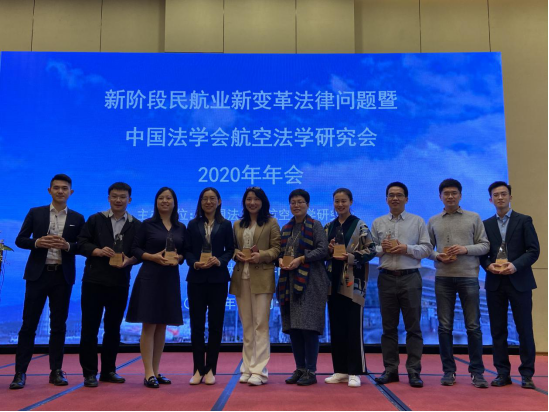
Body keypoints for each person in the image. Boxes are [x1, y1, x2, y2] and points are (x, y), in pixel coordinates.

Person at [10, 174, 85, 390]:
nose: (60, 191)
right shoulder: (36, 213)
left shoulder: (78, 217)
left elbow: (83, 245)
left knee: (58, 326)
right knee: (29, 325)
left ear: (71, 192)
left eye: (64, 188)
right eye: (56, 188)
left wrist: (68, 246)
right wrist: (37, 242)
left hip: (62, 276)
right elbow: (20, 240)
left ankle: (56, 371)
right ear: (49, 190)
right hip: (38, 275)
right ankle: (20, 373)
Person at [77, 182, 141, 388]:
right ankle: (89, 373)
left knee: (113, 329)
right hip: (93, 281)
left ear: (129, 200)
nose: (118, 200)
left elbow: (139, 252)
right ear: (108, 198)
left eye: (122, 197)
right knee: (89, 328)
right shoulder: (95, 219)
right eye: (114, 196)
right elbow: (81, 243)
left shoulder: (136, 225)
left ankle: (108, 371)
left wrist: (130, 260)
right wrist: (97, 251)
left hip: (120, 282)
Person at [427, 179, 490, 389]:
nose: (450, 196)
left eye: (454, 193)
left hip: (468, 277)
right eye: (446, 193)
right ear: (440, 197)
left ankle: (477, 372)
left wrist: (465, 249)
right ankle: (448, 371)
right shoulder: (433, 220)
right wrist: (438, 256)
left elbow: (485, 246)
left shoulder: (474, 218)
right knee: (444, 327)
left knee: (473, 326)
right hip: (443, 278)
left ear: (460, 195)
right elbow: (427, 248)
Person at [371, 182, 433, 388]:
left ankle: (414, 371)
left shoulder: (417, 221)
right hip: (386, 277)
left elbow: (426, 249)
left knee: (413, 327)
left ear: (406, 198)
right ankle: (390, 370)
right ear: (386, 199)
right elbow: (370, 249)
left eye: (399, 195)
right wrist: (382, 248)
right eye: (391, 195)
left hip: (410, 277)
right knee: (388, 328)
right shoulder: (378, 222)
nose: (395, 198)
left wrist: (406, 248)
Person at [480, 181, 540, 390]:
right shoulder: (486, 224)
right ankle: (502, 373)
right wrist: (488, 266)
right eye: (496, 195)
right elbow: (482, 253)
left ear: (510, 197)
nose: (500, 198)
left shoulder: (524, 220)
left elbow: (533, 251)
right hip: (495, 282)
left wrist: (514, 266)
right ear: (491, 200)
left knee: (524, 329)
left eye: (503, 194)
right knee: (498, 330)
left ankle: (527, 374)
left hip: (519, 281)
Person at [126, 187, 186, 389]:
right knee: (149, 325)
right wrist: (152, 257)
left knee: (162, 325)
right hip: (150, 277)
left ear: (174, 202)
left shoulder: (180, 227)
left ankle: (156, 370)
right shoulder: (147, 224)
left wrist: (179, 257)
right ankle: (148, 373)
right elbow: (135, 249)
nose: (165, 201)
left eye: (169, 198)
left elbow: (184, 252)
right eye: (161, 198)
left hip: (170, 278)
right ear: (156, 202)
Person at [324, 188, 377, 388]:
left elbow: (372, 250)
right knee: (336, 326)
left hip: (353, 282)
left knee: (353, 326)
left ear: (351, 202)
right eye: (337, 201)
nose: (340, 205)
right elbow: (323, 252)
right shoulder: (328, 226)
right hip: (332, 282)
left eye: (343, 201)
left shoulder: (360, 225)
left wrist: (351, 257)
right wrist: (329, 250)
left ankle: (355, 371)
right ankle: (340, 370)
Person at [277, 189, 329, 387]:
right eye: (293, 202)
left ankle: (311, 370)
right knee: (294, 328)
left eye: (300, 202)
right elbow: (281, 252)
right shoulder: (286, 228)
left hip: (312, 282)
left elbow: (323, 250)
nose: (296, 205)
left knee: (309, 327)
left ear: (307, 205)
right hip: (290, 282)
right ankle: (299, 368)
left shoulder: (315, 225)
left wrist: (302, 258)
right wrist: (280, 259)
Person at [184, 188, 234, 386]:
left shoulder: (226, 224)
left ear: (219, 201)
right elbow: (186, 250)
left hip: (218, 280)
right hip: (196, 279)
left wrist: (220, 260)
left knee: (215, 325)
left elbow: (231, 250)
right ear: (200, 202)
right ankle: (198, 369)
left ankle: (211, 369)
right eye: (205, 198)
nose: (208, 202)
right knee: (196, 326)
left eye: (212, 198)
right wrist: (194, 263)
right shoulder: (192, 224)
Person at [231, 187, 281, 386]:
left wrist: (261, 255)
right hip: (241, 277)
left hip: (262, 278)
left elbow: (277, 249)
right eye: (249, 199)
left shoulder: (271, 222)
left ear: (263, 202)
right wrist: (235, 254)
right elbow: (232, 248)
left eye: (256, 199)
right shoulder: (237, 224)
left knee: (261, 324)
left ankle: (259, 371)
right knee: (247, 325)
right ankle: (247, 367)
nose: (252, 203)